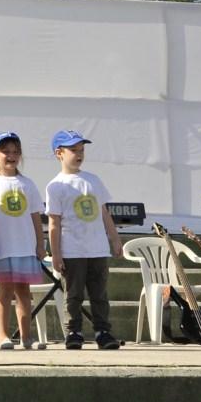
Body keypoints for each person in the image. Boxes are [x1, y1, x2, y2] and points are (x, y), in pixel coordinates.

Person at [46, 130, 123, 350]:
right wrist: (56, 253)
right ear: (59, 153)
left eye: (81, 149)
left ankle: (102, 331)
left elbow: (103, 212)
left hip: (97, 249)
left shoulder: (93, 180)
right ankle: (74, 332)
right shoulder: (56, 185)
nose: (79, 154)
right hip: (72, 250)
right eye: (73, 150)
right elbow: (54, 222)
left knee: (99, 293)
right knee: (73, 294)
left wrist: (115, 239)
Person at [0, 131, 49, 350]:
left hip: (25, 246)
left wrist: (40, 243)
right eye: (5, 152)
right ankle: (2, 335)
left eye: (15, 152)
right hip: (2, 246)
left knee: (23, 291)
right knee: (5, 289)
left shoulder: (26, 184)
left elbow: (35, 216)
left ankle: (26, 337)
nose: (10, 156)